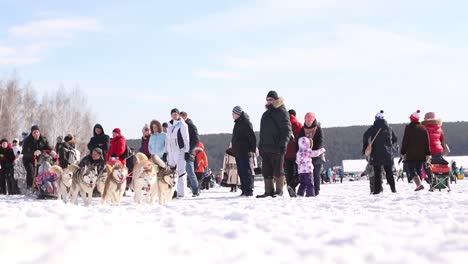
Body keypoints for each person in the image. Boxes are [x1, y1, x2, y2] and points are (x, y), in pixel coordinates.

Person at [362, 110, 398, 194]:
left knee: (377, 172)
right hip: (388, 153)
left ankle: (377, 190)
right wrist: (388, 145)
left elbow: (365, 136)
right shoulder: (389, 128)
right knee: (389, 172)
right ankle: (393, 189)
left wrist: (366, 146)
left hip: (376, 153)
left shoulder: (373, 127)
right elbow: (395, 139)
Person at [400, 110, 431, 191]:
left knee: (411, 169)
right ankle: (419, 185)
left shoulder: (408, 128)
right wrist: (428, 153)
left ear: (412, 119)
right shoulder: (423, 128)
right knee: (418, 169)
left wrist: (403, 152)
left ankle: (419, 184)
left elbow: (405, 141)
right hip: (421, 154)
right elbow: (427, 142)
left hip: (411, 153)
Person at [231, 106, 257, 197]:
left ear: (237, 113)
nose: (232, 115)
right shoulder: (237, 123)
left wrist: (253, 149)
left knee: (246, 171)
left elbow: (252, 137)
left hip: (245, 151)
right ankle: (244, 190)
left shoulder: (246, 122)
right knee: (241, 172)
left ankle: (249, 191)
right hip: (238, 151)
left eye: (233, 113)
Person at [297, 112, 325, 195]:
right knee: (307, 176)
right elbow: (299, 142)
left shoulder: (318, 129)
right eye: (306, 120)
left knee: (316, 174)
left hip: (316, 155)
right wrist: (300, 152)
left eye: (310, 120)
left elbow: (320, 141)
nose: (308, 122)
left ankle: (316, 191)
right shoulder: (302, 129)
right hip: (305, 157)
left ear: (313, 120)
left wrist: (312, 151)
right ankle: (307, 192)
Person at [166, 108, 190, 198]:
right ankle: (172, 191)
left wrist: (187, 151)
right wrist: (166, 152)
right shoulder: (170, 125)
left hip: (180, 150)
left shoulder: (182, 124)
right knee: (171, 172)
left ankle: (181, 192)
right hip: (171, 151)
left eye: (176, 114)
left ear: (179, 115)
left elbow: (186, 138)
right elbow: (167, 139)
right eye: (173, 114)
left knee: (181, 171)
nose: (174, 115)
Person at [180, 111, 200, 197]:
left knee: (190, 172)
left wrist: (188, 150)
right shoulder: (179, 126)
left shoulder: (191, 126)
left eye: (181, 117)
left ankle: (196, 190)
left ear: (185, 117)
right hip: (181, 152)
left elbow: (196, 140)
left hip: (189, 153)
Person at [284, 109, 303, 196]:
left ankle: (291, 191)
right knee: (300, 172)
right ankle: (292, 185)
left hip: (286, 154)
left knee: (289, 173)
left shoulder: (284, 124)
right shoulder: (299, 125)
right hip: (297, 153)